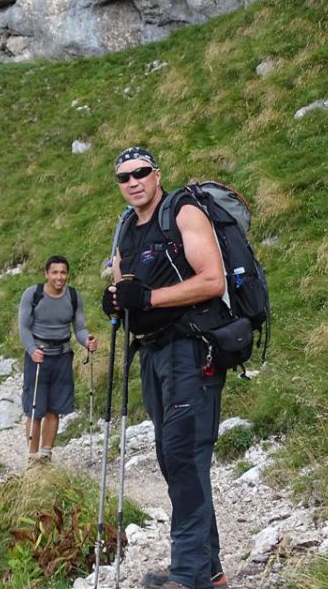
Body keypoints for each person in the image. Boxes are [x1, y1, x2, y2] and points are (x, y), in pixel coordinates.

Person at [103, 147, 229, 589]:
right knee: (176, 459)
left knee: (184, 456)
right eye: (124, 177)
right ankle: (209, 572)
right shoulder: (125, 228)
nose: (133, 182)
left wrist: (151, 299)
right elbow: (124, 287)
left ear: (157, 175)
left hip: (190, 350)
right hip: (153, 353)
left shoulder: (182, 212)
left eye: (140, 173)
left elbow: (214, 280)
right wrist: (116, 301)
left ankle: (187, 573)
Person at [18, 255, 98, 464]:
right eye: (54, 272)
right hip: (38, 357)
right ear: (46, 274)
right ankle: (32, 457)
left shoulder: (73, 296)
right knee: (35, 409)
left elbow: (79, 327)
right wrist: (31, 349)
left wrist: (86, 341)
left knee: (55, 408)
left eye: (63, 272)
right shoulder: (32, 294)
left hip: (62, 356)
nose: (59, 277)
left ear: (67, 274)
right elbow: (24, 327)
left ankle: (46, 454)